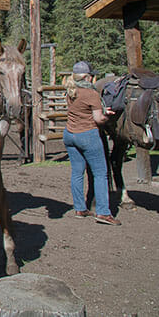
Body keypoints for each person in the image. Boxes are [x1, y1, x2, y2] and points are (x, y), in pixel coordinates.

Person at [62, 60, 120, 226]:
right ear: (87, 77)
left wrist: (100, 111)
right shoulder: (91, 94)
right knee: (101, 174)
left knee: (77, 172)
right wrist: (107, 116)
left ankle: (80, 208)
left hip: (70, 134)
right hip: (87, 135)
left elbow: (81, 110)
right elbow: (98, 119)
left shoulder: (70, 91)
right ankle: (103, 212)